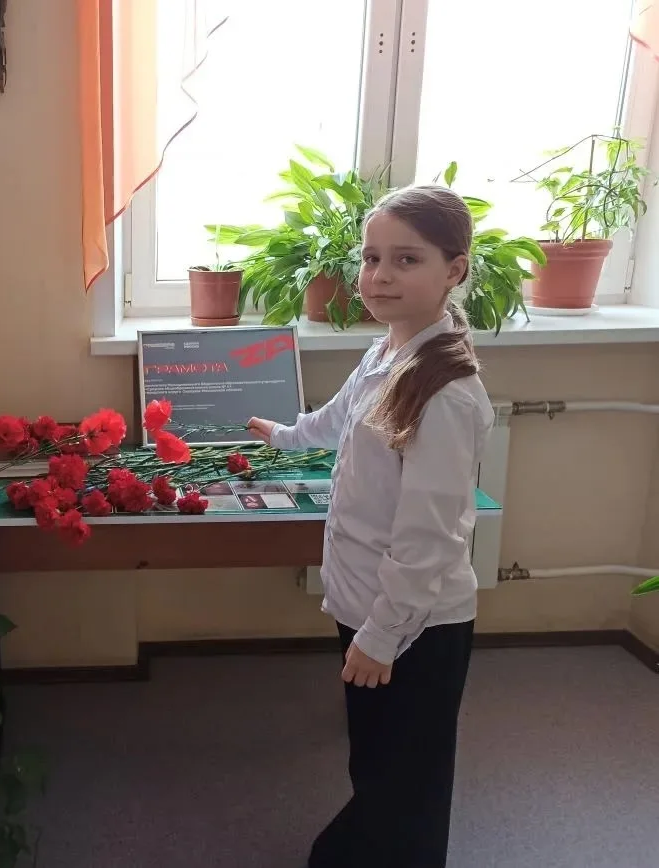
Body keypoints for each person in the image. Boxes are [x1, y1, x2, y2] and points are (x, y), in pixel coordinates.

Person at [247, 185, 494, 868]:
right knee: (379, 761)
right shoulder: (389, 351)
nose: (380, 275)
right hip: (368, 604)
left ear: (453, 270)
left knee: (407, 778)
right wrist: (287, 435)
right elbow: (341, 415)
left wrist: (383, 637)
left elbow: (430, 539)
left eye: (406, 259)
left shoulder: (445, 392)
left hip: (413, 623)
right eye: (371, 257)